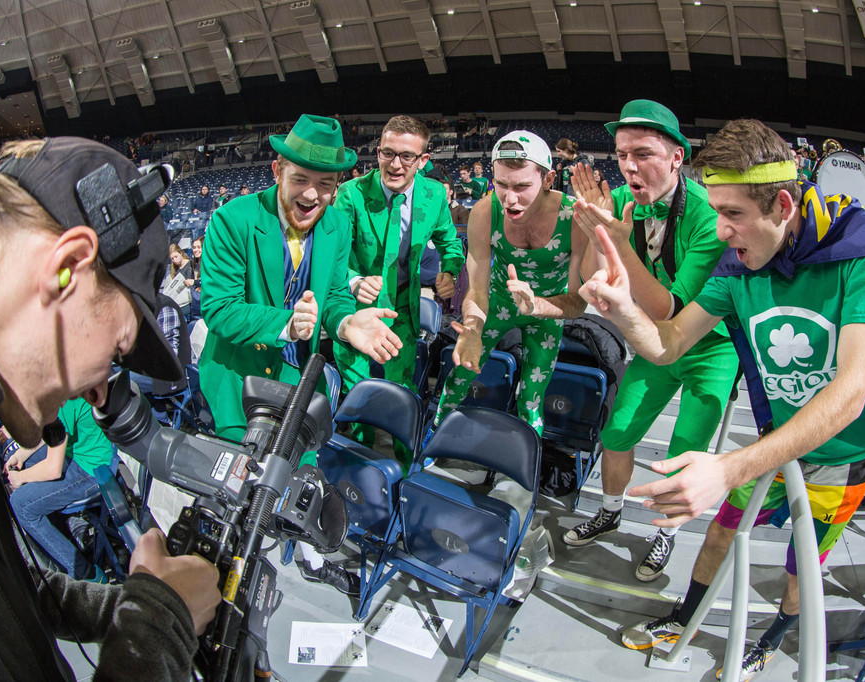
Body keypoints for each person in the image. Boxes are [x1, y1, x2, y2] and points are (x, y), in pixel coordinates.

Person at [581, 119, 865, 680]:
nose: (721, 230)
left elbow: (850, 394)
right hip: (777, 441)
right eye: (716, 211)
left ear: (781, 204)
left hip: (843, 455)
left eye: (733, 215)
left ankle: (772, 636)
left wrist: (727, 467)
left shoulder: (857, 249)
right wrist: (624, 309)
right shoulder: (737, 266)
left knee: (803, 564)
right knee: (725, 527)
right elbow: (669, 341)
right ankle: (687, 614)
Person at [0, 119, 220, 680]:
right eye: (117, 350)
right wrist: (155, 624)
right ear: (67, 268)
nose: (100, 391)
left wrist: (124, 606)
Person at [199, 113, 403, 595]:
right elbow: (219, 309)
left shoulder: (334, 226)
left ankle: (310, 559)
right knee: (242, 485)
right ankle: (226, 575)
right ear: (277, 172)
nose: (312, 195)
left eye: (325, 184)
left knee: (300, 474)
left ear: (336, 188)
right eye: (301, 180)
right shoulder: (232, 220)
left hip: (296, 381)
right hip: (238, 379)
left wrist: (347, 321)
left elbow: (332, 295)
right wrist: (284, 325)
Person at [564, 99, 738, 583]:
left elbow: (668, 308)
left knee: (683, 452)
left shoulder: (707, 216)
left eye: (642, 154)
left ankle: (666, 535)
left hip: (709, 345)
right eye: (621, 155)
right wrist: (600, 238)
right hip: (653, 341)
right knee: (616, 432)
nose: (628, 167)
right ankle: (611, 510)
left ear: (678, 158)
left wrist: (616, 241)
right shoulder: (619, 201)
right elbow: (592, 280)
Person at [431, 131, 587, 435]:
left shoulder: (574, 217)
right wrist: (473, 328)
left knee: (532, 398)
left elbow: (578, 301)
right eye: (501, 185)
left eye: (522, 186)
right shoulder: (484, 211)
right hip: (498, 302)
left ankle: (523, 468)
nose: (509, 198)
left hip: (549, 311)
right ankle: (435, 436)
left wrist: (538, 305)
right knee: (459, 375)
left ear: (549, 179)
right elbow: (476, 288)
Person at [332, 116, 464, 468]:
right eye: (387, 153)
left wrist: (449, 270)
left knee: (403, 392)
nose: (395, 164)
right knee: (357, 390)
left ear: (422, 161)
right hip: (355, 309)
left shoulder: (434, 194)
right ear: (376, 153)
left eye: (407, 156)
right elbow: (331, 255)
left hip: (402, 309)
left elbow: (450, 243)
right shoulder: (351, 194)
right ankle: (358, 467)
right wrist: (354, 280)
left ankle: (407, 469)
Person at [5, 398, 116, 581]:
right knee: (23, 459)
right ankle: (56, 524)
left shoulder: (61, 403)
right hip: (86, 452)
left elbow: (52, 470)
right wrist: (20, 454)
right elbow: (53, 430)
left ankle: (85, 573)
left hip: (92, 471)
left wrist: (20, 478)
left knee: (20, 505)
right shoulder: (61, 391)